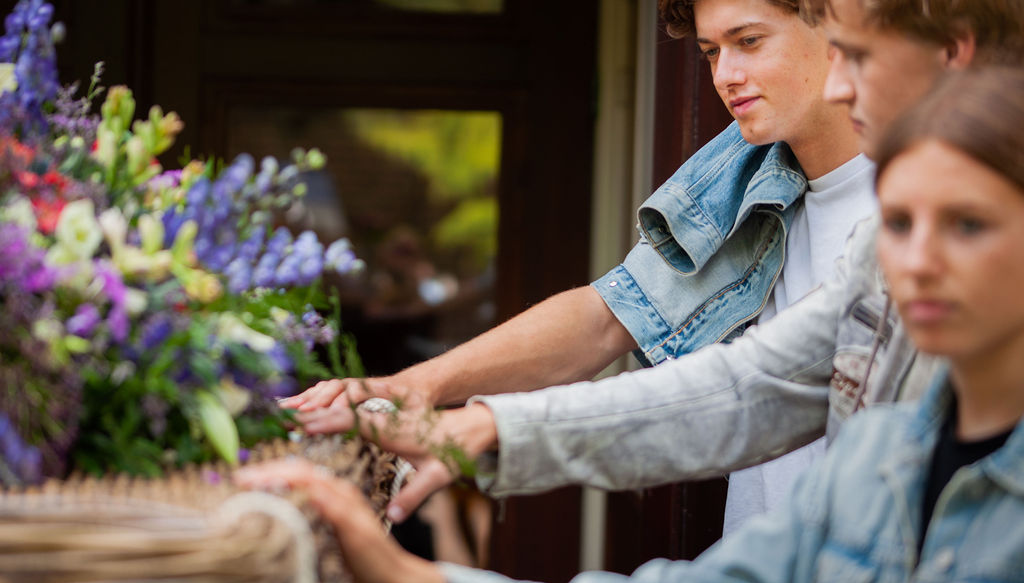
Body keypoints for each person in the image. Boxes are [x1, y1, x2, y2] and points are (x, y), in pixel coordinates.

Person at [237, 68, 1024, 583]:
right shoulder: (873, 473)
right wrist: (413, 576)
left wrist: (468, 429)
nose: (914, 262)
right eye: (895, 225)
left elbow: (735, 391)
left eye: (967, 225)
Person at [284, 0, 1024, 529]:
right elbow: (638, 325)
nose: (725, 75)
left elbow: (746, 394)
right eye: (710, 52)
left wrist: (485, 431)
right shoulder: (750, 168)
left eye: (749, 41)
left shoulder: (935, 203)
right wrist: (425, 396)